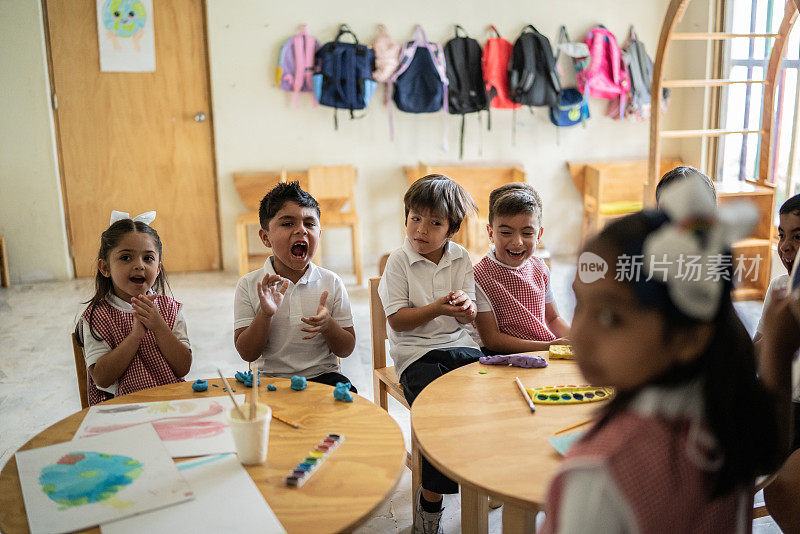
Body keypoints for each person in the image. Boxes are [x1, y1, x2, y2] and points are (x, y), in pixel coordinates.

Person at [542, 180, 783, 533]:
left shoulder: (599, 474)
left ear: (688, 338)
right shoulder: (729, 417)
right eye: (580, 303)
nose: (578, 334)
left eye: (611, 316)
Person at [378, 174, 481, 534]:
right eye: (415, 218)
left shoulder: (462, 258)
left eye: (435, 222)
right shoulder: (398, 261)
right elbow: (398, 321)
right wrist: (438, 308)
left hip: (459, 347)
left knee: (486, 391)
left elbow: (468, 312)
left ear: (451, 229)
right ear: (405, 217)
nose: (421, 229)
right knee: (437, 408)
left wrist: (465, 307)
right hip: (415, 356)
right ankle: (431, 505)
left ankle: (482, 474)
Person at [233, 181, 356, 391]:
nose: (301, 230)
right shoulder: (249, 285)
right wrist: (265, 314)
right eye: (288, 223)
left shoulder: (331, 282)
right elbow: (247, 353)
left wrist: (328, 325)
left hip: (324, 377)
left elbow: (346, 348)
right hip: (271, 381)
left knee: (350, 412)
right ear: (265, 238)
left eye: (309, 223)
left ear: (319, 234)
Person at [79, 211, 192, 406]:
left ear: (158, 269)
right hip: (119, 409)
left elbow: (183, 368)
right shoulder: (97, 316)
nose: (139, 265)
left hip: (170, 403)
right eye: (125, 257)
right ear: (105, 267)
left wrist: (159, 328)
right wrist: (134, 337)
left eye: (148, 258)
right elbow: (101, 378)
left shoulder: (169, 309)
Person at [473, 183, 569, 353]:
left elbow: (553, 318)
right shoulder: (478, 276)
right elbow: (492, 340)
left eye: (527, 233)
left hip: (543, 352)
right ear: (490, 233)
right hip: (502, 358)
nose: (517, 242)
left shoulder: (540, 268)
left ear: (538, 235)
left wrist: (577, 341)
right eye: (506, 232)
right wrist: (548, 347)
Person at [754, 193, 800, 531]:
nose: (785, 246)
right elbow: (758, 352)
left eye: (798, 236)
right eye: (781, 234)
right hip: (783, 410)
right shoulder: (779, 288)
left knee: (783, 489)